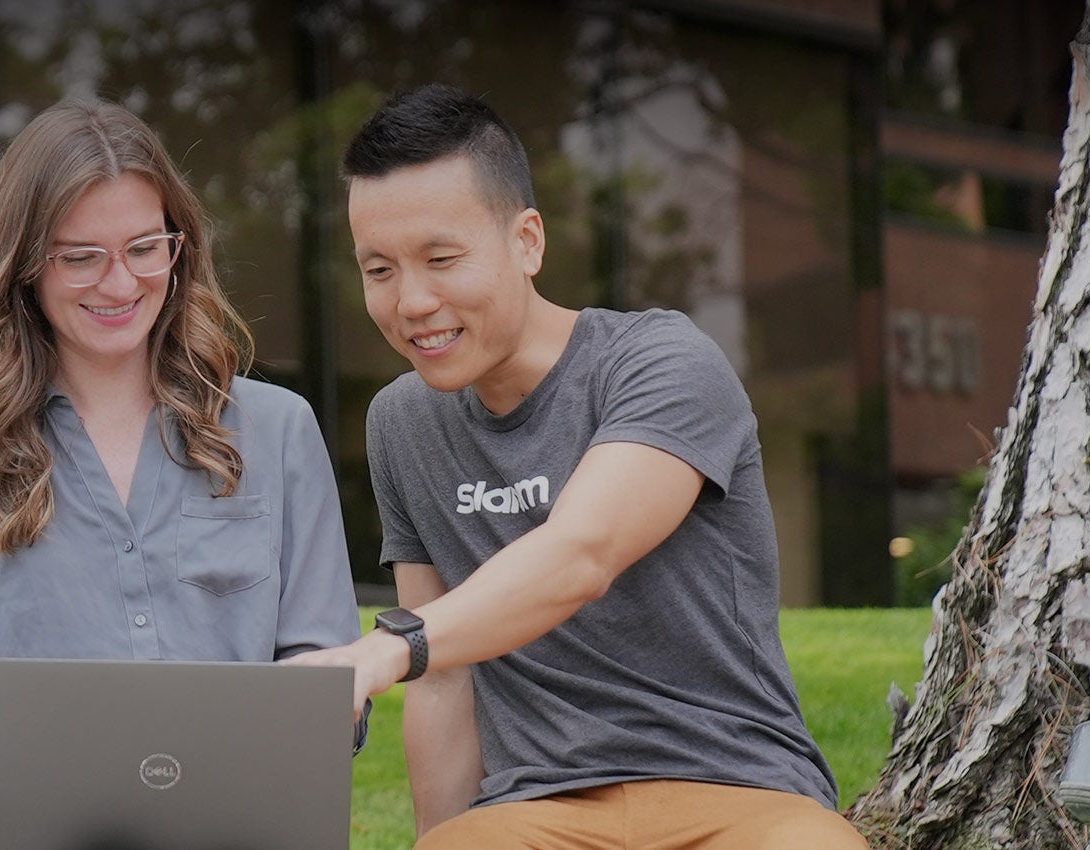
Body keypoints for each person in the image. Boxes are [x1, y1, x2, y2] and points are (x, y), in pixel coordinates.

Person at [286, 84, 872, 849]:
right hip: (536, 812)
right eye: (379, 269)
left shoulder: (661, 361)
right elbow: (446, 676)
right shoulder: (402, 423)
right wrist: (439, 839)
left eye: (441, 258)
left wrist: (386, 646)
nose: (413, 300)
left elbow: (581, 554)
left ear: (527, 241)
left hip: (739, 794)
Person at [0, 99, 362, 850]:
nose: (120, 283)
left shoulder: (280, 430)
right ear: (26, 264)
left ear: (179, 248)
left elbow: (324, 670)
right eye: (80, 256)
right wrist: (50, 794)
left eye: (143, 248)